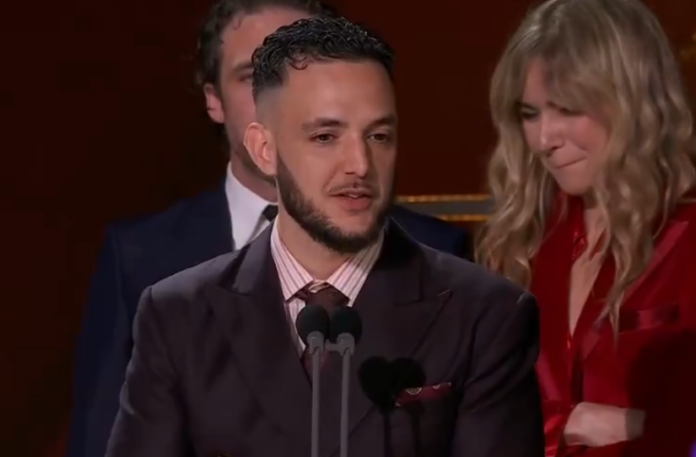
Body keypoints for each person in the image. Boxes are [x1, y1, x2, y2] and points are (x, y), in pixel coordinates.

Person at [105, 16, 543, 457]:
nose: (360, 164)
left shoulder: (486, 315)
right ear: (265, 150)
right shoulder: (178, 316)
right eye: (325, 136)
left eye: (379, 136)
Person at [476, 0, 696, 455]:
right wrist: (570, 422)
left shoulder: (688, 240)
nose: (544, 139)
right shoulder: (518, 245)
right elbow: (475, 414)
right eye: (530, 113)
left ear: (632, 102)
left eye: (567, 108)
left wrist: (649, 426)